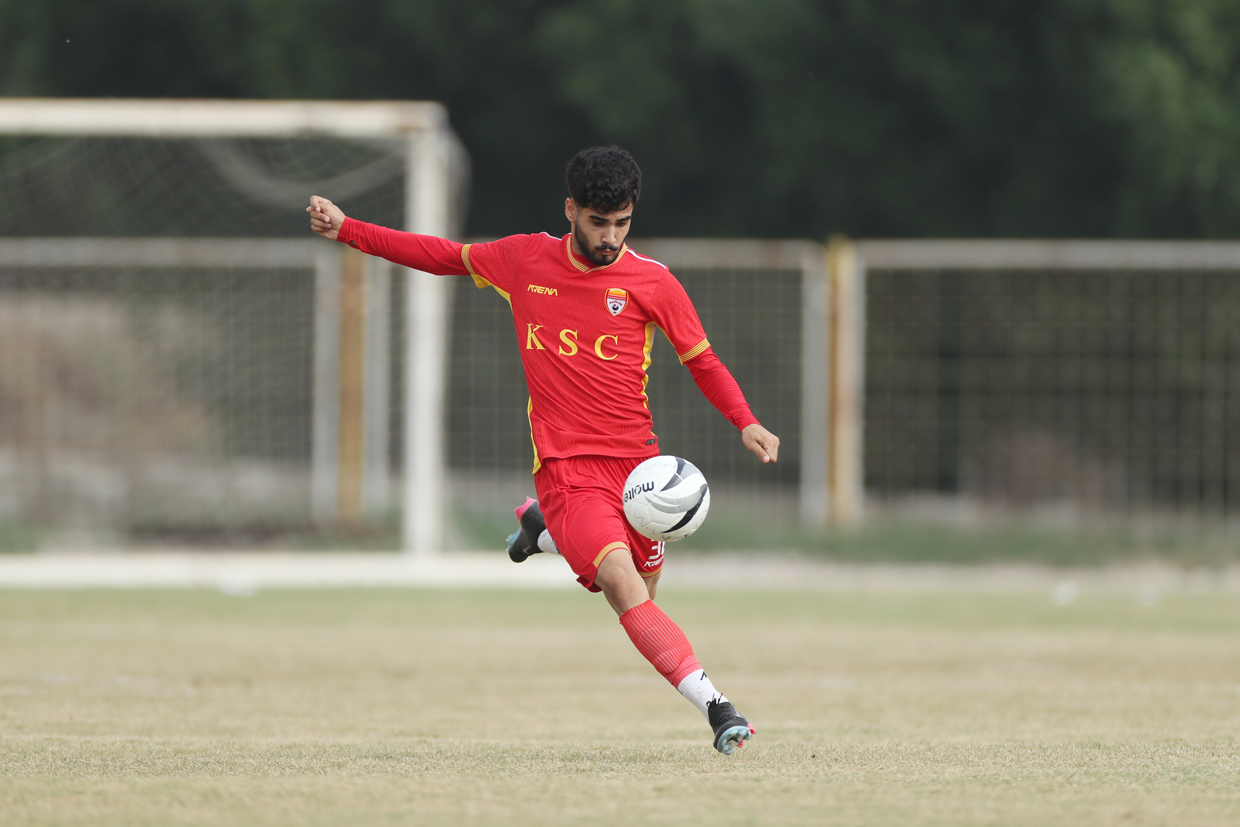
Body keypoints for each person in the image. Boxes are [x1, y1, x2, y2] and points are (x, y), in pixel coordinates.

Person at [308, 146, 780, 754]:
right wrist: (349, 229)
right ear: (570, 210)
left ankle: (543, 529)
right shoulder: (524, 259)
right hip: (567, 468)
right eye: (598, 222)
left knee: (643, 591)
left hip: (640, 470)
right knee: (622, 585)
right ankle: (718, 708)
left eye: (622, 223)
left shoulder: (653, 282)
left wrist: (746, 421)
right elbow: (441, 255)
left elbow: (702, 360)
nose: (610, 237)